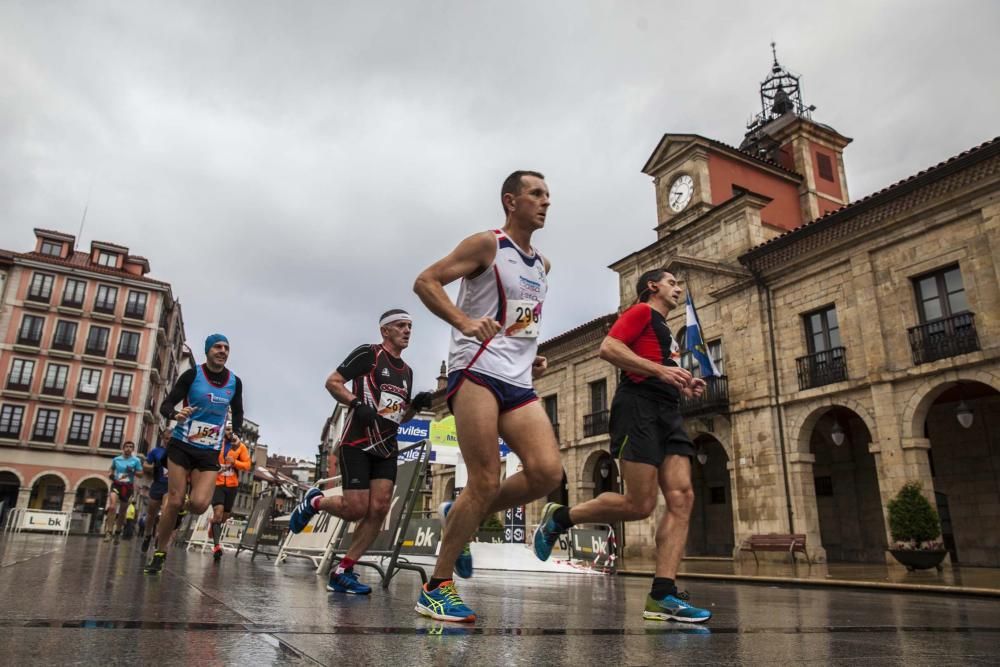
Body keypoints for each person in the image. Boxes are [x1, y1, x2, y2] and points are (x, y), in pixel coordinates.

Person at [411, 171, 562, 622]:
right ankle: (436, 587)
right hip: (475, 368)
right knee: (485, 479)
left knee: (546, 472)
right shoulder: (487, 245)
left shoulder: (543, 266)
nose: (546, 202)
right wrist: (462, 321)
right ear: (510, 201)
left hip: (517, 376)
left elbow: (519, 321)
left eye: (549, 195)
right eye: (536, 194)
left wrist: (531, 353)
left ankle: (455, 514)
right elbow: (426, 281)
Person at [532, 268, 712, 623]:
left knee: (682, 497)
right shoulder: (641, 311)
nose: (678, 288)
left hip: (668, 410)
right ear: (652, 286)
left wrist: (682, 382)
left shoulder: (663, 329)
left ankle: (663, 595)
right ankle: (560, 517)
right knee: (639, 504)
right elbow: (609, 348)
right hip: (637, 408)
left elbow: (661, 366)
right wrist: (660, 372)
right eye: (672, 282)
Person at [288, 309, 432, 594]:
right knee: (355, 510)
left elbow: (399, 418)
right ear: (385, 331)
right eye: (401, 326)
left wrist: (415, 406)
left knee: (378, 509)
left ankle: (343, 570)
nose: (407, 331)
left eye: (410, 327)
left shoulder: (407, 372)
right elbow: (333, 382)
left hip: (387, 448)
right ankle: (315, 502)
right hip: (357, 443)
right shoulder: (369, 354)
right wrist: (356, 404)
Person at [145, 333, 244, 575]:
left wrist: (236, 433)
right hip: (182, 445)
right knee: (175, 500)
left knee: (199, 505)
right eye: (218, 347)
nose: (222, 351)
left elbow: (238, 412)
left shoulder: (234, 382)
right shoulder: (192, 375)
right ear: (208, 351)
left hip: (209, 451)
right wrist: (175, 415)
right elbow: (166, 405)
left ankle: (179, 512)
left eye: (226, 348)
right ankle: (160, 551)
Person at [208, 427, 251, 561]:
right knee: (218, 512)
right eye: (226, 429)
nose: (228, 432)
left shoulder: (241, 447)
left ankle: (213, 526)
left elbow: (247, 465)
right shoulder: (215, 441)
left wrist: (235, 462)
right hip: (217, 483)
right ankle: (216, 546)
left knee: (224, 517)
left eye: (231, 430)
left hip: (232, 485)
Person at [103, 441, 143, 544]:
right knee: (112, 507)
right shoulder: (116, 459)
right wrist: (110, 474)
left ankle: (117, 532)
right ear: (123, 448)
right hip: (116, 484)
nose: (128, 448)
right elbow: (111, 469)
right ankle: (108, 532)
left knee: (122, 512)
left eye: (131, 447)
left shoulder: (136, 460)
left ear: (133, 449)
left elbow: (141, 474)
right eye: (127, 446)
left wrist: (133, 471)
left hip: (128, 487)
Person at [141, 433, 170, 554]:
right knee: (151, 514)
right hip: (157, 484)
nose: (168, 441)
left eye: (171, 439)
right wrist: (152, 467)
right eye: (167, 438)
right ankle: (147, 535)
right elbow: (145, 465)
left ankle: (159, 536)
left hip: (170, 486)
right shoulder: (156, 451)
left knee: (165, 512)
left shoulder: (178, 452)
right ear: (163, 438)